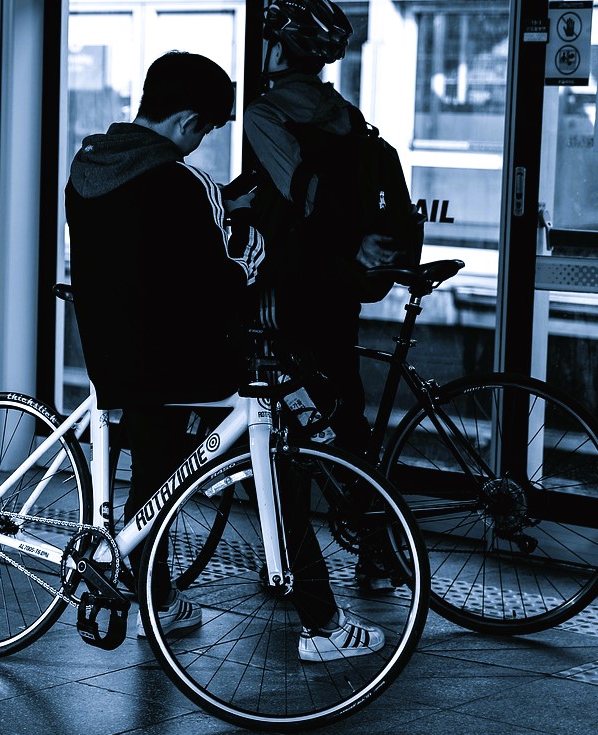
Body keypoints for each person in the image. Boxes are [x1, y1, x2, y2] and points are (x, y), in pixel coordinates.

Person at [66, 50, 381, 660]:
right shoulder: (183, 183)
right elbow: (230, 276)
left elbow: (145, 253)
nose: (201, 141)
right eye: (205, 129)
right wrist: (248, 236)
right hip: (186, 364)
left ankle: (156, 600)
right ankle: (322, 624)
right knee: (277, 458)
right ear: (188, 121)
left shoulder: (88, 166)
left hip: (115, 361)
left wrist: (211, 220)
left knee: (155, 473)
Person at [244, 0, 400, 593]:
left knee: (287, 420)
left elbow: (301, 196)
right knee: (343, 410)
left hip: (295, 285)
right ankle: (378, 549)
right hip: (340, 286)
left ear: (281, 49)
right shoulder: (341, 112)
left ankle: (289, 562)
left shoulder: (266, 113)